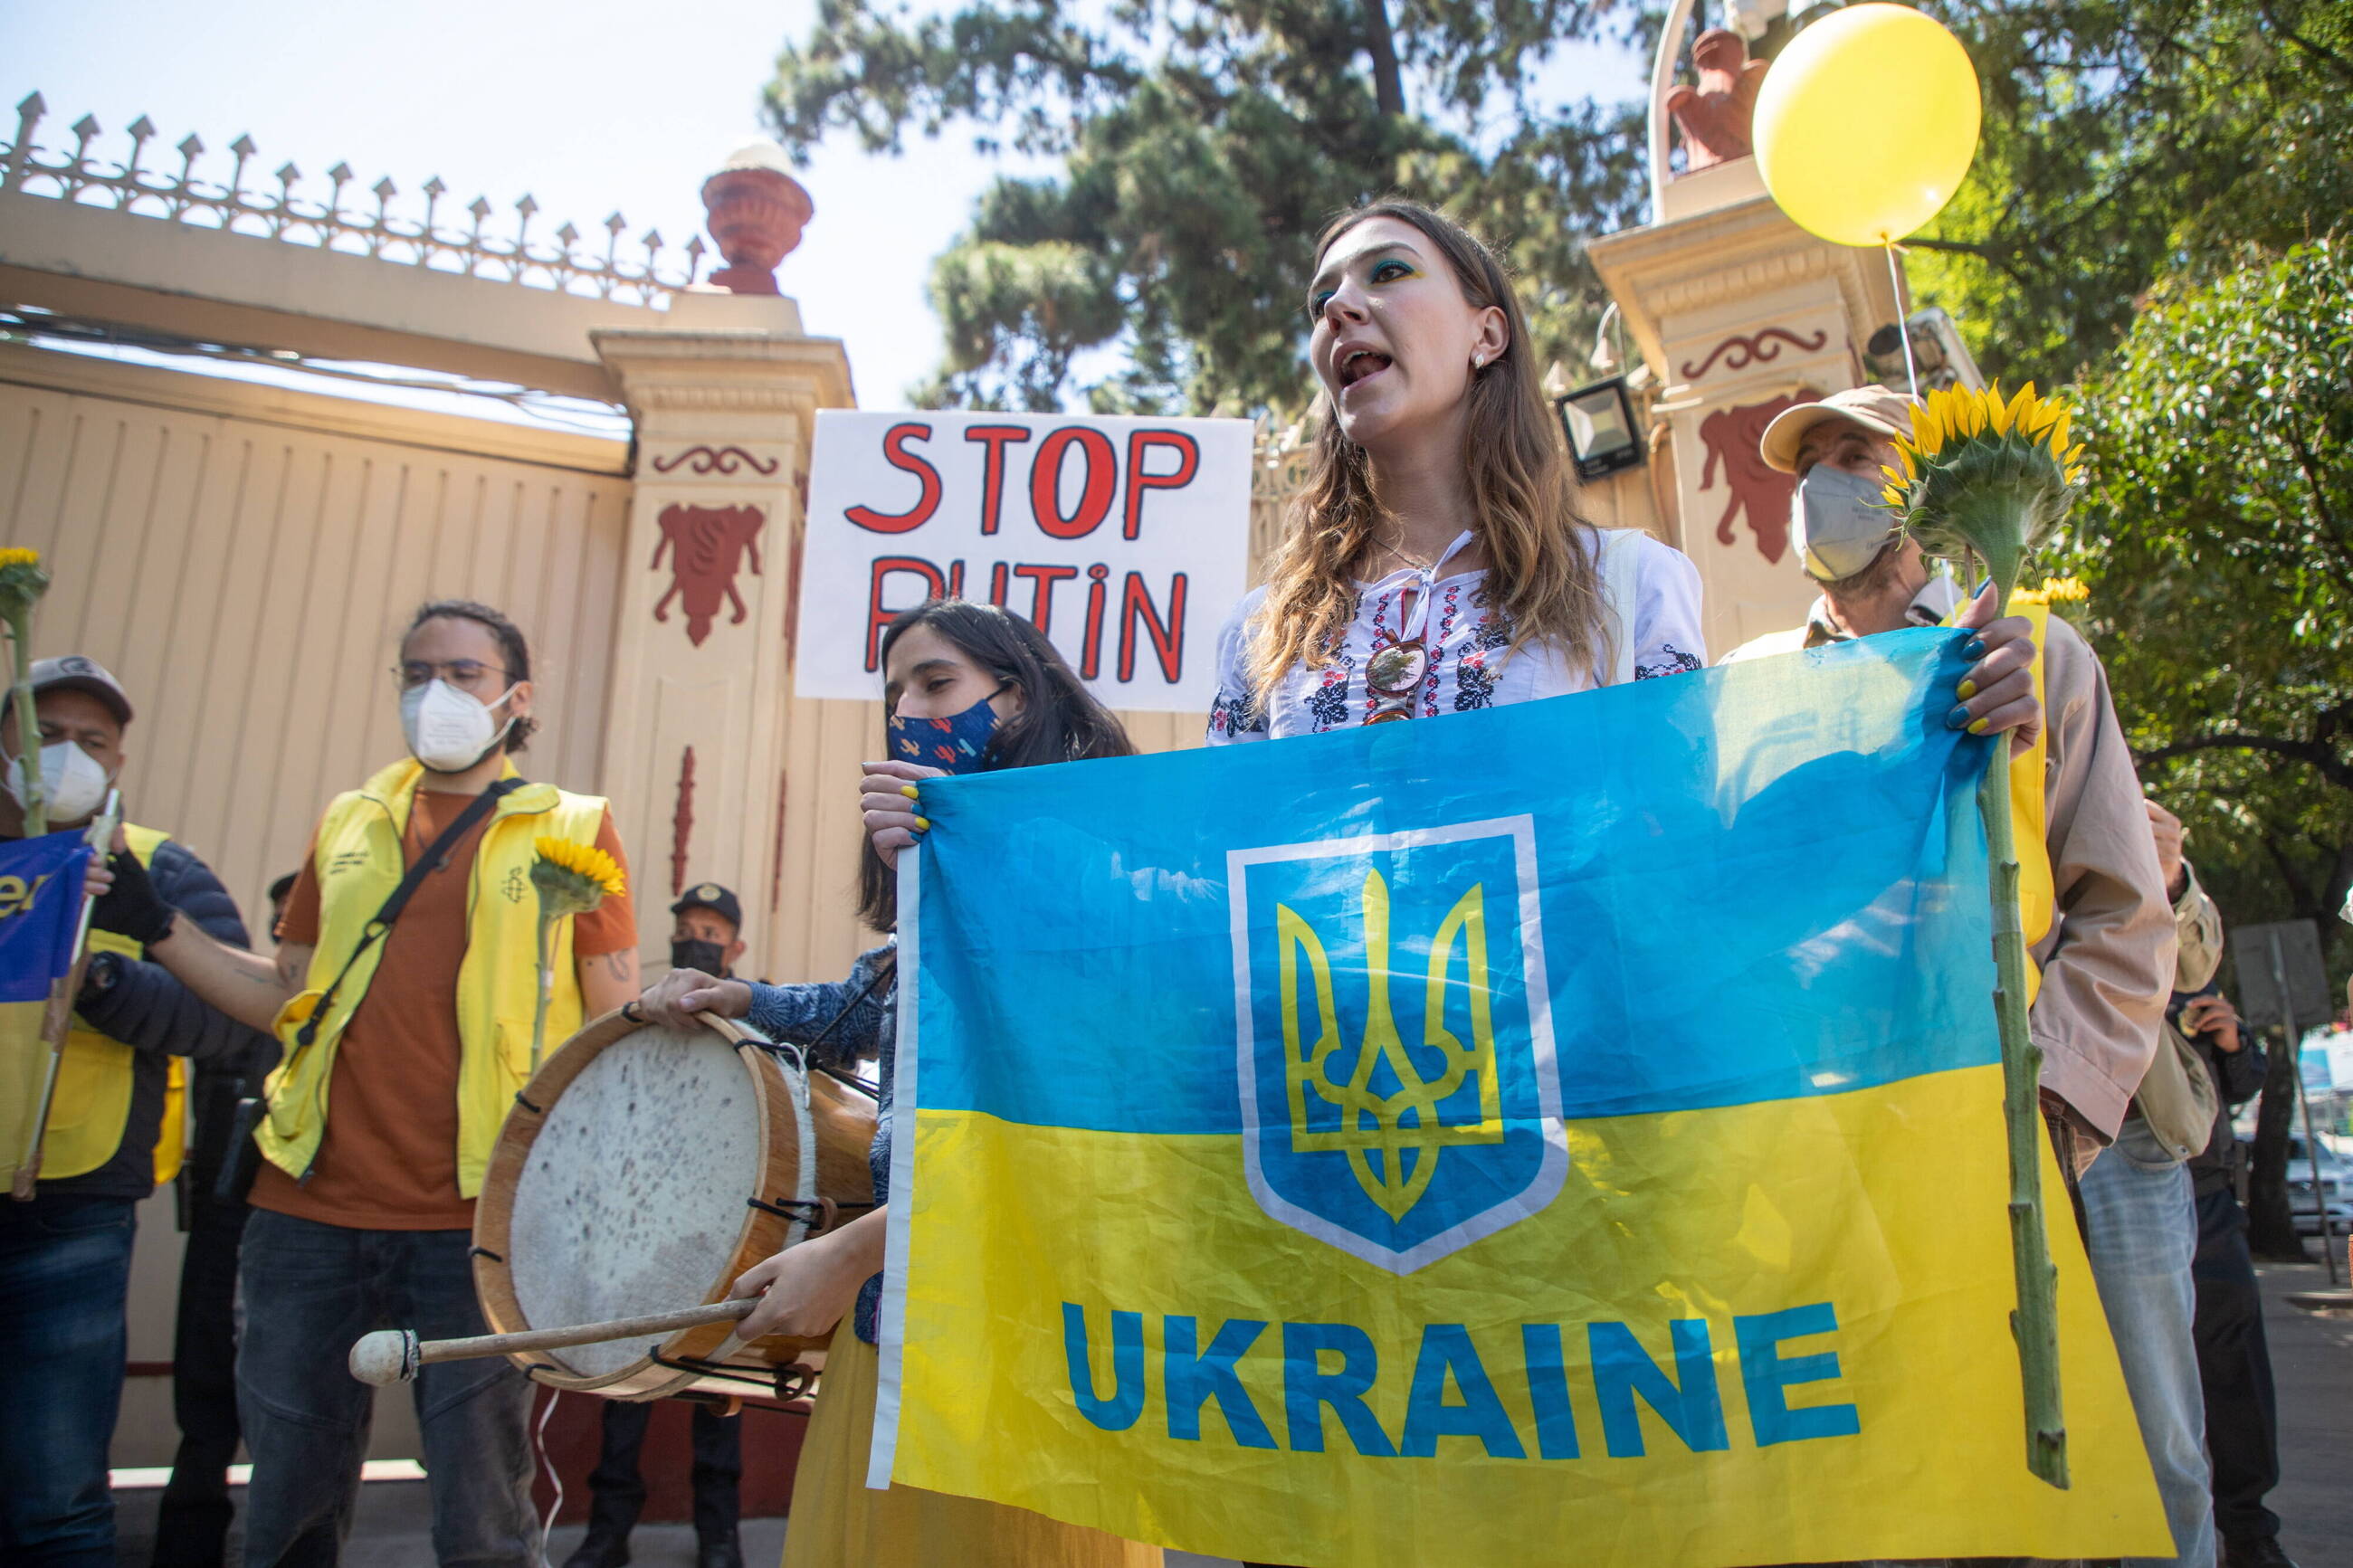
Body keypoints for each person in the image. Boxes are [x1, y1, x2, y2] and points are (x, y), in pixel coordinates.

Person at [1731, 388, 2195, 1567]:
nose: (1824, 482)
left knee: (2139, 1471)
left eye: (1856, 456)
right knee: (1914, 1489)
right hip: (1856, 1161)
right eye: (1810, 465)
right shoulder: (1749, 694)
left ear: (1920, 492)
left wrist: (2059, 1105)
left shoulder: (2033, 656)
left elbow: (2123, 911)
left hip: (2064, 1153)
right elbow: (1735, 914)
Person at [85, 600, 641, 1568]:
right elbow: (285, 993)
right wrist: (159, 926)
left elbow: (611, 1023)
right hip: (305, 1208)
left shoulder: (573, 828)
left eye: (462, 672)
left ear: (516, 696)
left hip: (476, 1218)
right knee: (288, 1506)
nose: (436, 692)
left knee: (481, 1519)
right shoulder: (349, 818)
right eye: (416, 672)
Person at [636, 597, 1159, 1568]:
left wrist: (851, 1252)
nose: (910, 713)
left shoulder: (1088, 872)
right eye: (895, 696)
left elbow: (1053, 1134)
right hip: (897, 1312)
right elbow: (876, 1001)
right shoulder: (939, 870)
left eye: (937, 682)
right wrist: (738, 992)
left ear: (1022, 694)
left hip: (1018, 1328)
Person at [1203, 204, 2039, 757]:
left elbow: (1681, 851)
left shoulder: (1628, 587)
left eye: (1386, 273)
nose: (1339, 308)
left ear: (1486, 334)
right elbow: (1221, 891)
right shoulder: (1259, 638)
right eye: (1322, 298)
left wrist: (1949, 727)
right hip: (1325, 1032)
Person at [0, 654, 273, 1568]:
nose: (65, 755)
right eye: (42, 734)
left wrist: (104, 980)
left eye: (91, 740)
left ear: (119, 762)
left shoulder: (153, 866)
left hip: (70, 1209)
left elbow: (234, 1022)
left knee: (55, 1497)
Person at [565, 881, 757, 1568]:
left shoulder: (754, 1018)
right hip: (644, 1232)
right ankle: (607, 1533)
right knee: (628, 1392)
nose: (696, 936)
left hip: (719, 1235)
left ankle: (720, 1537)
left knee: (717, 1395)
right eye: (687, 924)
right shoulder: (642, 1010)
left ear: (734, 946)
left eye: (711, 927)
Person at [2151, 811, 2298, 1568]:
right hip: (2109, 1175)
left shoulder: (2183, 958)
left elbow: (2239, 1084)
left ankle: (2249, 1532)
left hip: (2203, 1189)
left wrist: (2233, 1039)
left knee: (2232, 1370)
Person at [148, 866, 292, 1568]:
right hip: (223, 1218)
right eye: (286, 915)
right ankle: (188, 1544)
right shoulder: (234, 1002)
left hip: (300, 1224)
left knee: (293, 1410)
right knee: (205, 1402)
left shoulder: (332, 1017)